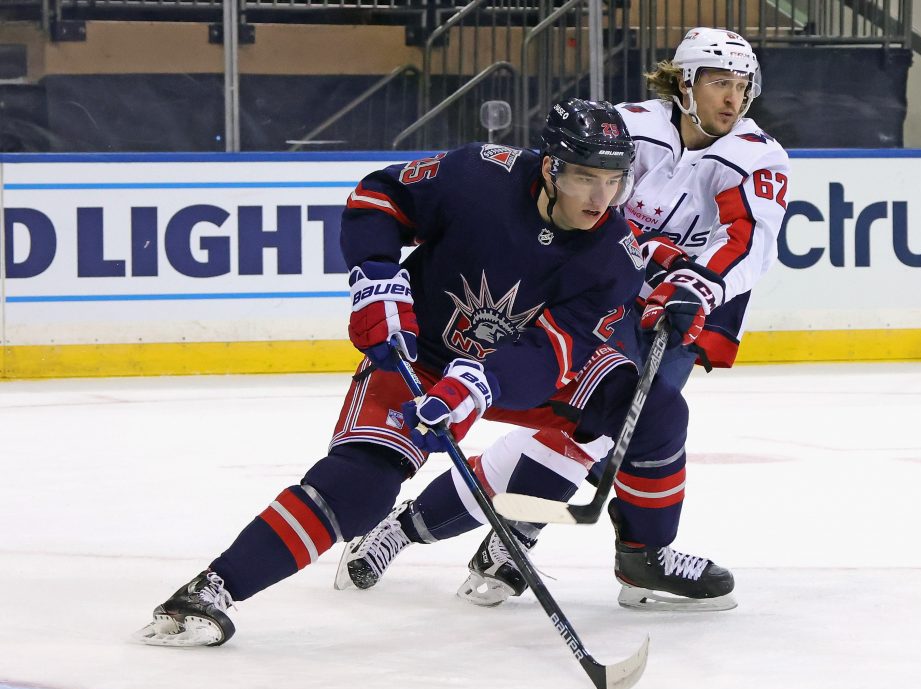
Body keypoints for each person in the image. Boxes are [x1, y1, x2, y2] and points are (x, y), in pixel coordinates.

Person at [132, 98, 660, 647]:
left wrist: (481, 384)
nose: (602, 198)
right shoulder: (479, 174)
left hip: (504, 374)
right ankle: (211, 589)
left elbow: (553, 352)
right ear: (551, 167)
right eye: (585, 178)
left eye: (614, 181)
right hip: (418, 357)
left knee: (623, 411)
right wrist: (376, 276)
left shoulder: (614, 255)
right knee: (359, 490)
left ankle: (541, 534)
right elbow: (378, 194)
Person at [336, 27, 789, 612]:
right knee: (574, 433)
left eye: (742, 86)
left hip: (681, 306)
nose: (733, 98)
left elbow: (749, 239)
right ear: (684, 82)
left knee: (604, 436)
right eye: (720, 83)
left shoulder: (757, 155)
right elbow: (555, 189)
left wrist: (694, 285)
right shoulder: (625, 126)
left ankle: (497, 542)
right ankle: (450, 536)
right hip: (594, 291)